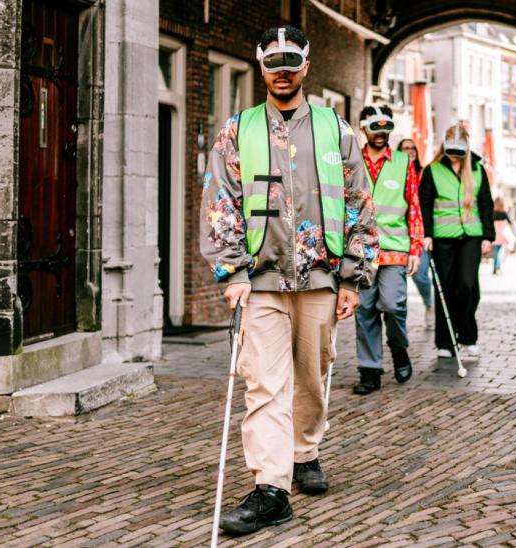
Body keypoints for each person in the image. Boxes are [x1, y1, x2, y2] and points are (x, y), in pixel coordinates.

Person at [200, 26, 377, 536]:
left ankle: (306, 451)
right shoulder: (237, 130)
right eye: (273, 62)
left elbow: (360, 203)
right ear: (260, 66)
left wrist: (352, 278)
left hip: (322, 277)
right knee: (264, 384)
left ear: (306, 65)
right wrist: (231, 270)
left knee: (311, 375)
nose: (282, 71)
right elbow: (220, 201)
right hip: (262, 280)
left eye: (290, 62)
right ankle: (271, 487)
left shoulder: (337, 129)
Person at [353, 107, 424, 395]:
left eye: (386, 129)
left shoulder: (403, 162)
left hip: (395, 248)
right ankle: (370, 371)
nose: (381, 134)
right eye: (375, 128)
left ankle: (399, 348)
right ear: (363, 129)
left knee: (393, 306)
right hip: (360, 250)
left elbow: (414, 205)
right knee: (365, 310)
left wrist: (416, 247)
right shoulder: (351, 161)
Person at [419, 124, 495, 357]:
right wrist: (427, 235)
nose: (454, 156)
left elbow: (486, 204)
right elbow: (425, 205)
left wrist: (487, 237)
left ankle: (468, 335)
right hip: (442, 238)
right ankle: (446, 342)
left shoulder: (478, 170)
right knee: (444, 289)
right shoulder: (433, 170)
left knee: (468, 286)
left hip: (471, 237)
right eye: (450, 151)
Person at [399, 138, 434, 326]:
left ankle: (429, 304)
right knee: (397, 279)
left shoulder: (423, 174)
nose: (410, 151)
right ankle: (398, 316)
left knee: (421, 274)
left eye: (413, 148)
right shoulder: (394, 172)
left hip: (419, 233)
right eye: (406, 148)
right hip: (397, 233)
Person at [492, 197, 514, 274]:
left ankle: (496, 267)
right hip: (502, 235)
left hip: (495, 235)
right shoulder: (504, 213)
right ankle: (496, 267)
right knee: (498, 253)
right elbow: (510, 222)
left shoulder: (493, 213)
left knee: (496, 253)